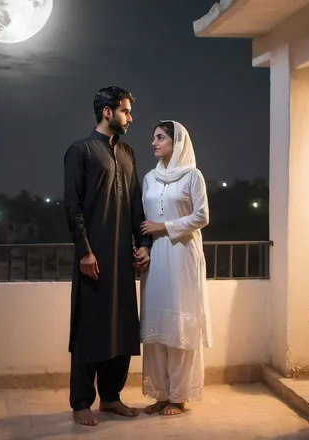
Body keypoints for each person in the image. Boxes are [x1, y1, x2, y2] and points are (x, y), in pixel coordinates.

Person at [63, 85, 151, 426]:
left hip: (121, 258)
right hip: (93, 257)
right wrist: (84, 250)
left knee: (121, 326)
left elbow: (135, 203)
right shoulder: (80, 151)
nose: (130, 117)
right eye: (126, 111)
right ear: (107, 112)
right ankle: (81, 401)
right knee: (89, 327)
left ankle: (111, 397)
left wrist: (143, 244)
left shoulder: (127, 152)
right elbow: (72, 206)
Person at [139, 120, 212, 416]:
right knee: (156, 329)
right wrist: (143, 244)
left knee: (179, 323)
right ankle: (160, 392)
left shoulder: (193, 176)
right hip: (155, 256)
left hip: (182, 254)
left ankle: (178, 395)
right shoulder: (149, 178)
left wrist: (165, 226)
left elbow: (202, 216)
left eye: (159, 138)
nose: (153, 143)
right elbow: (143, 219)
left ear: (176, 142)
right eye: (153, 138)